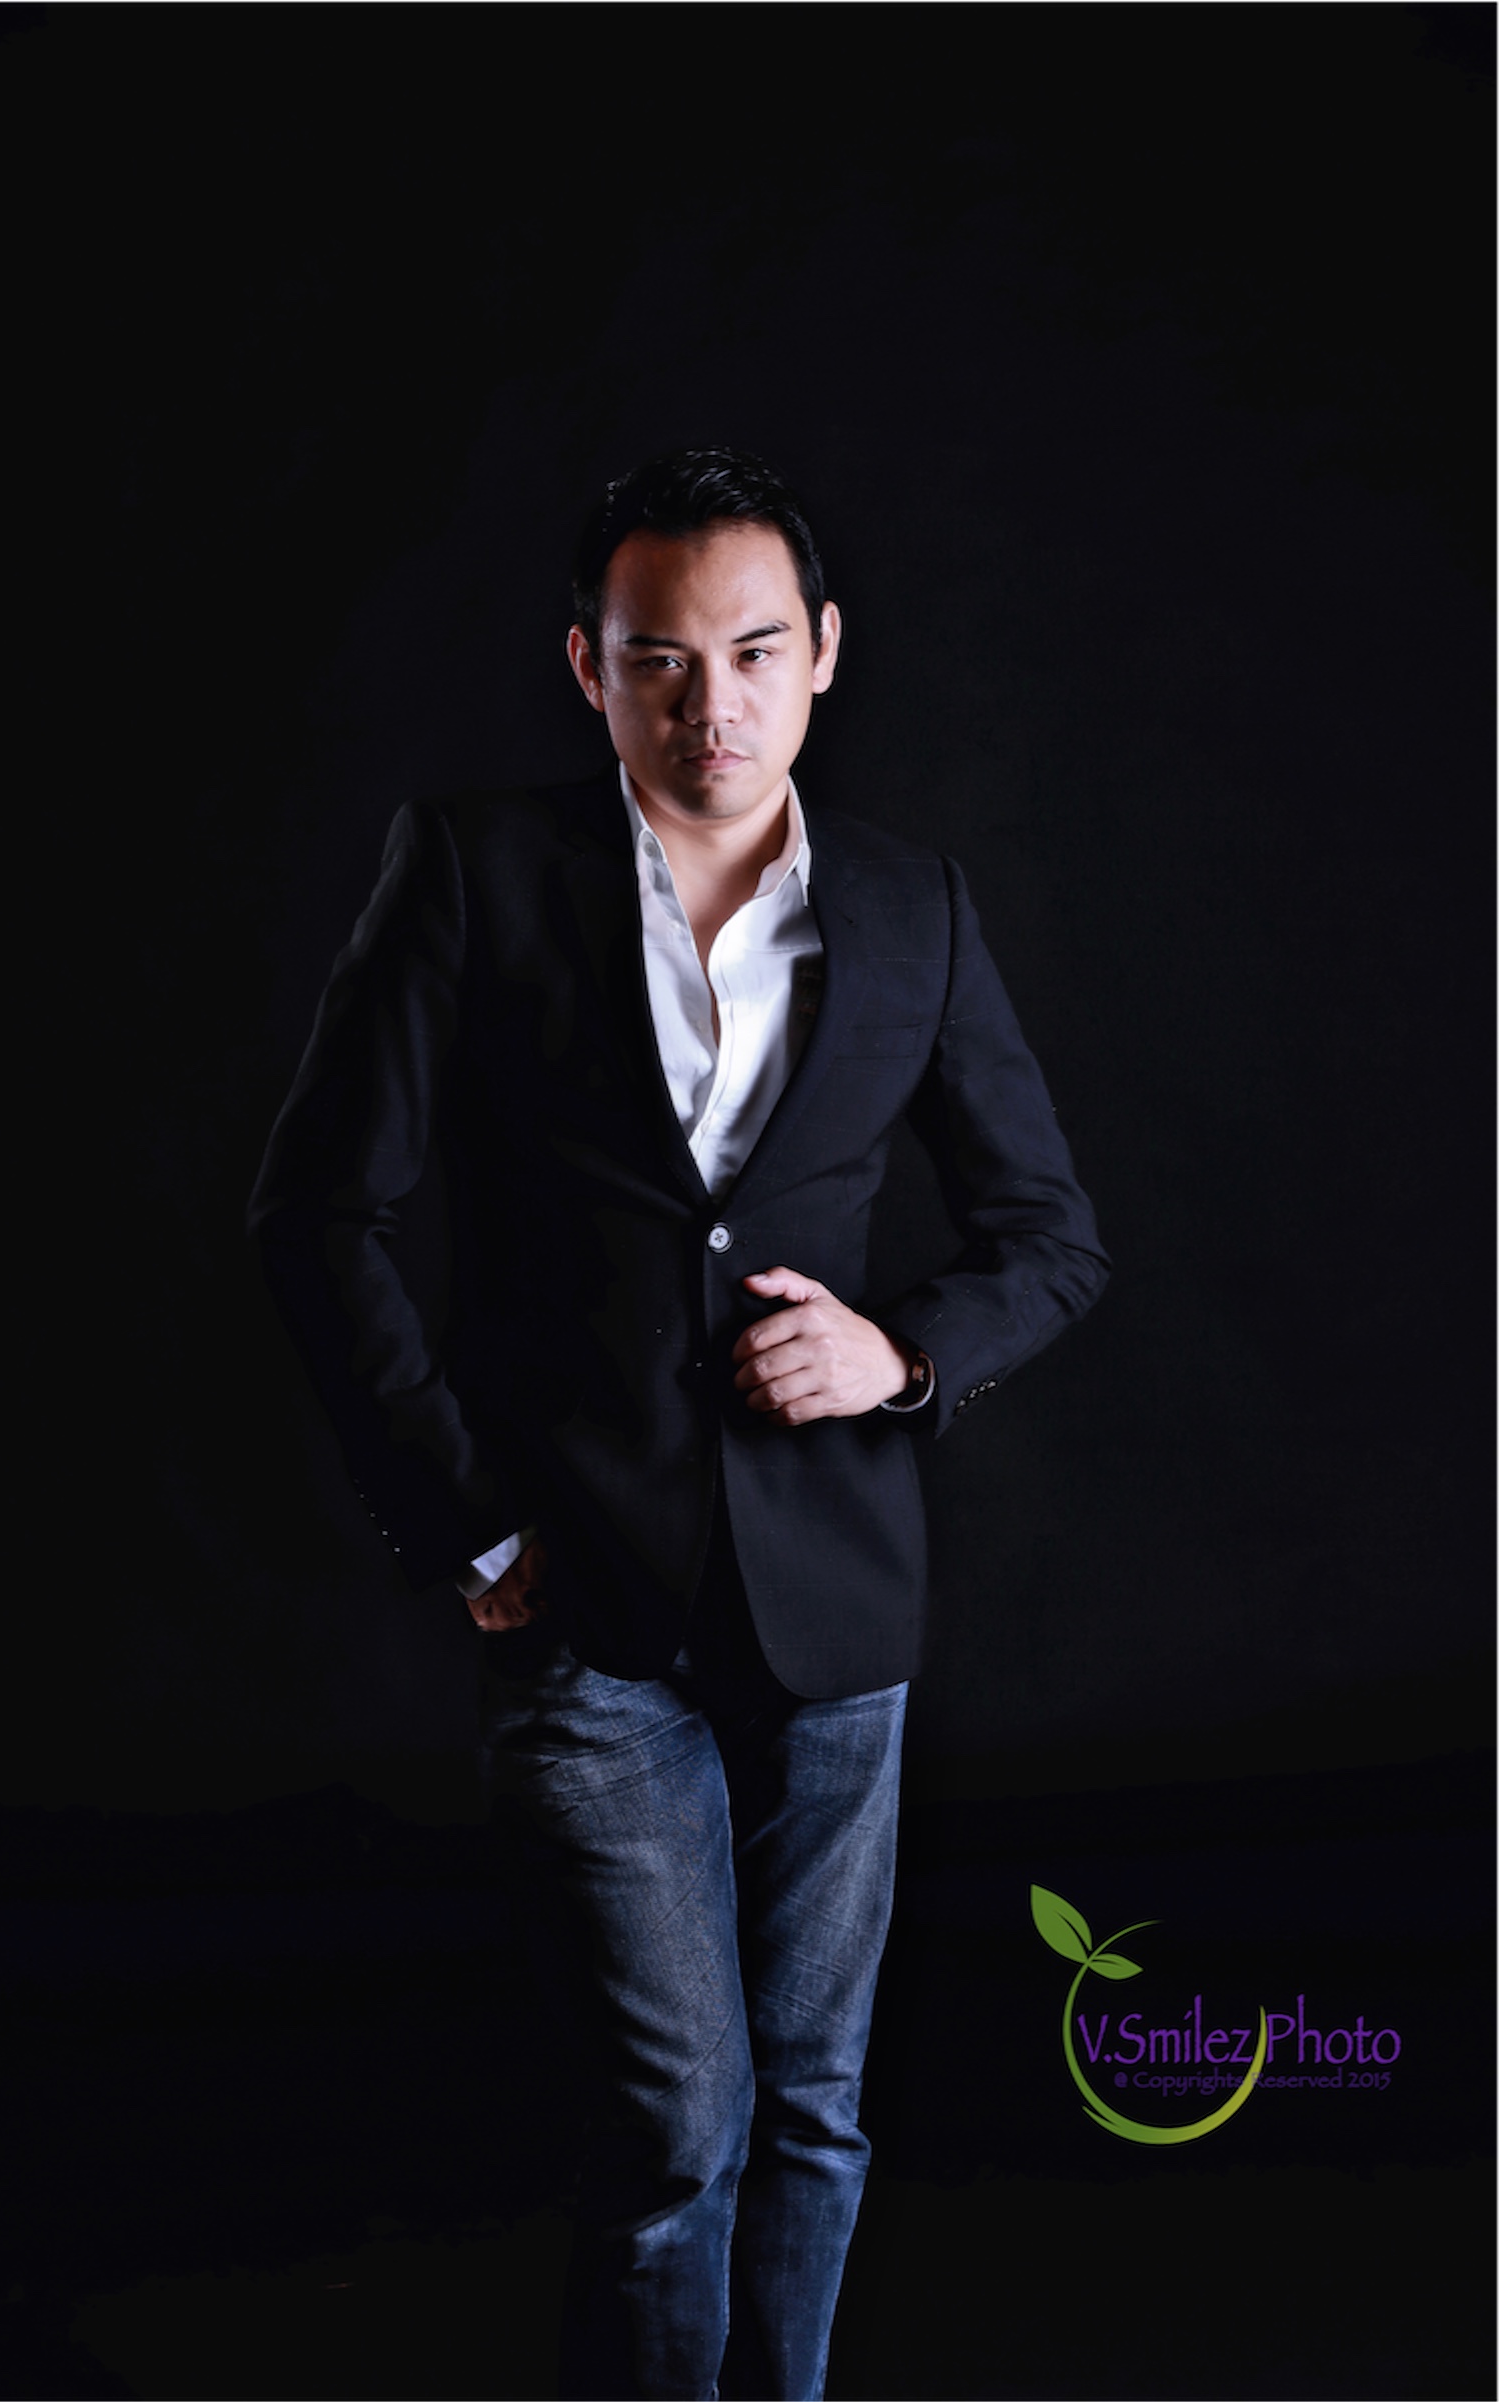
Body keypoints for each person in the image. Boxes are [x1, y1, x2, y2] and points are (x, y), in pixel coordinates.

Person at [248, 446, 1108, 2400]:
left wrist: (899, 1356)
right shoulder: (473, 869)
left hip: (838, 1599)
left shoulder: (911, 904)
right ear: (590, 667)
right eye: (656, 658)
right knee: (674, 2137)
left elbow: (1051, 1238)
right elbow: (314, 1214)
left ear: (822, 653)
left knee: (815, 2110)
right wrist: (465, 1520)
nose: (708, 703)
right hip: (579, 1594)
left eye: (750, 651)